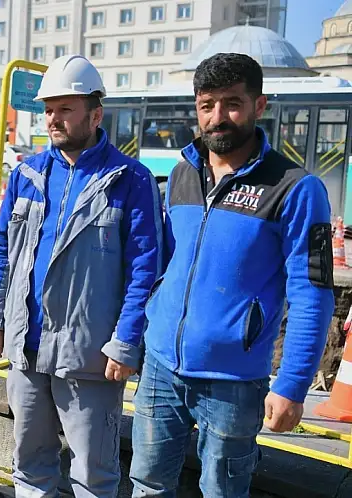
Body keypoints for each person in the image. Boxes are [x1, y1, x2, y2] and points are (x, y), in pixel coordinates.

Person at [129, 53, 335, 498]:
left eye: (232, 103)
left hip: (235, 382)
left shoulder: (295, 188)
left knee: (222, 493)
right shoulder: (182, 173)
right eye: (207, 105)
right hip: (161, 367)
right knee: (147, 484)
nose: (217, 117)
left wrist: (293, 384)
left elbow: (313, 292)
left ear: (260, 105)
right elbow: (162, 263)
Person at [0, 54, 163, 497]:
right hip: (27, 347)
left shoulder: (129, 180)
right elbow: (2, 248)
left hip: (90, 355)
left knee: (93, 474)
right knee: (29, 464)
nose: (53, 119)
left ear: (95, 115)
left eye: (65, 109)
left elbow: (145, 269)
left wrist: (125, 341)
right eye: (48, 109)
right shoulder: (27, 174)